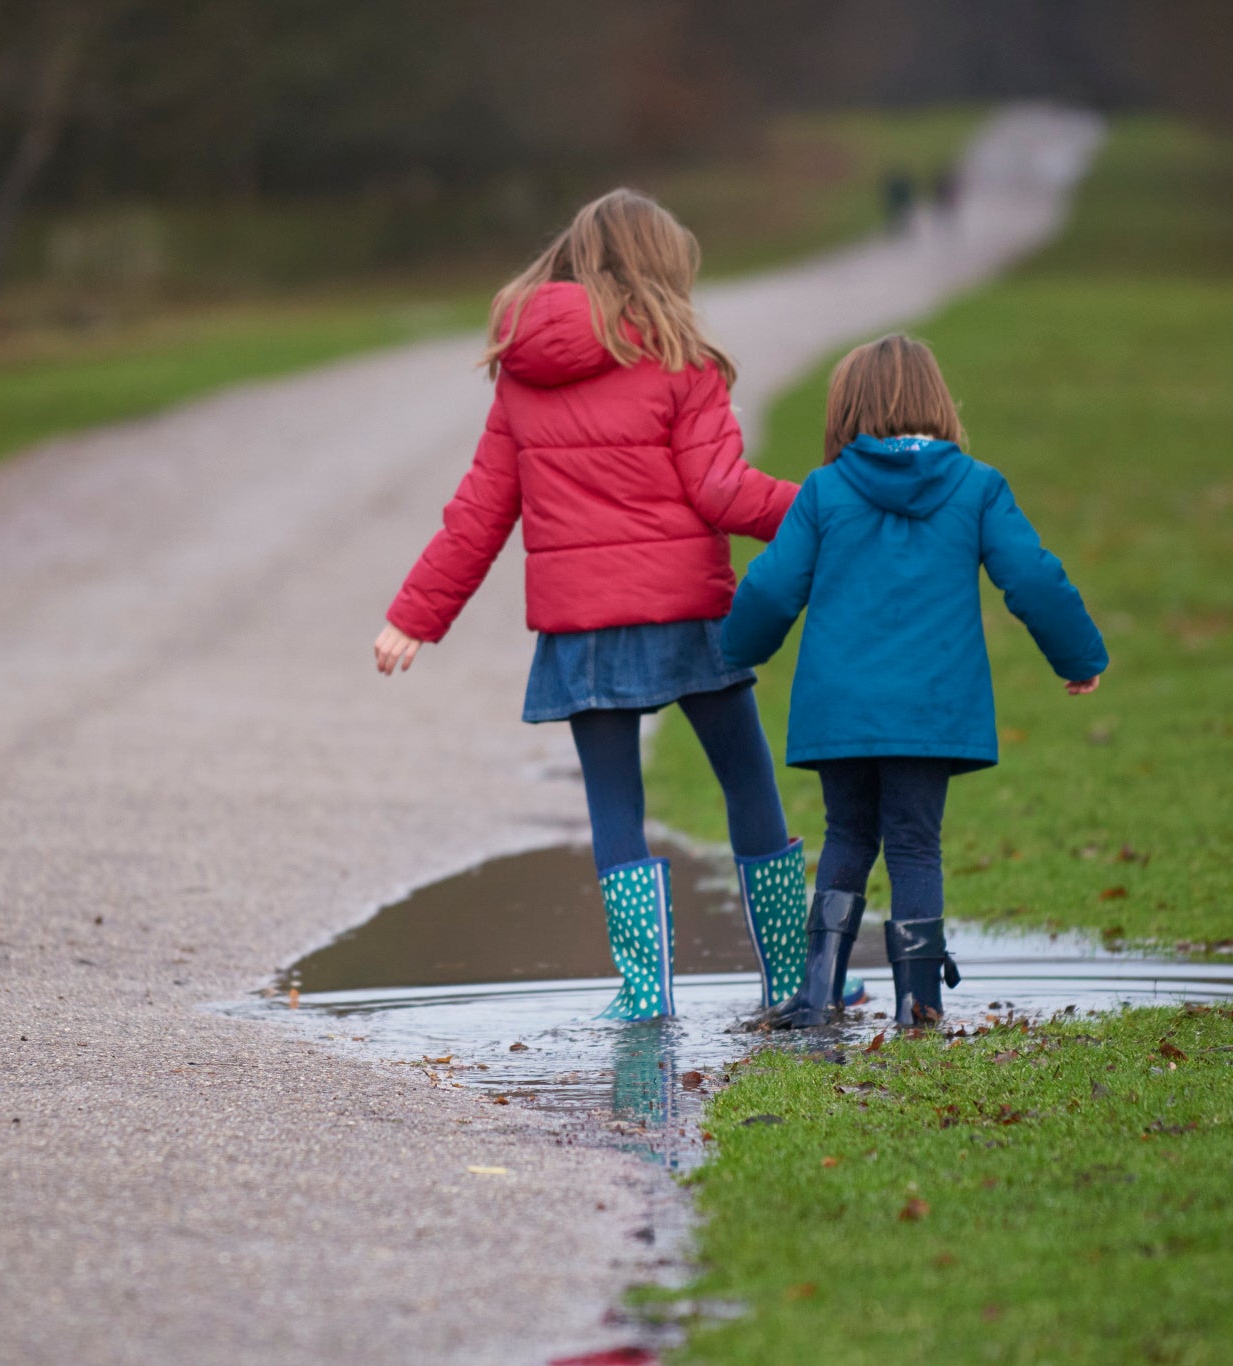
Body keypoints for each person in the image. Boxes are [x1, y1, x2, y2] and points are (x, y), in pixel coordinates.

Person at [373, 188, 807, 1024]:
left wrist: (414, 615)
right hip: (690, 613)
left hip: (586, 631)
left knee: (614, 802)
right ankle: (790, 980)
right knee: (747, 779)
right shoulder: (684, 359)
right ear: (664, 268)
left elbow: (481, 511)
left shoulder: (523, 373)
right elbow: (722, 492)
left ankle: (645, 993)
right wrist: (821, 511)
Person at [720, 333, 1107, 1030]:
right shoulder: (977, 487)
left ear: (846, 411)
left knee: (847, 834)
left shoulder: (826, 490)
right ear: (939, 403)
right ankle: (917, 1001)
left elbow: (774, 588)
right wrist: (1078, 657)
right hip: (930, 713)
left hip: (841, 713)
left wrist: (736, 647)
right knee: (913, 844)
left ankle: (817, 996)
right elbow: (1034, 578)